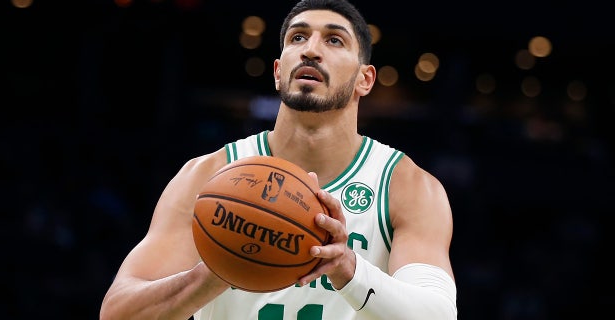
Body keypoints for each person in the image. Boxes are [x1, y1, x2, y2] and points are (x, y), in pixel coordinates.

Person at [99, 0, 458, 319]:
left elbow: (438, 314)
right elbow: (118, 312)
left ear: (365, 79)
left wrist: (348, 268)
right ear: (277, 71)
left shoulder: (406, 186)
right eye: (298, 38)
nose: (311, 50)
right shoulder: (207, 175)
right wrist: (212, 274)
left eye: (334, 40)